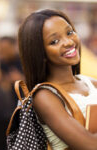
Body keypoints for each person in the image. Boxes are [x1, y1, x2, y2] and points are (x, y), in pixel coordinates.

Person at [18, 9, 97, 150]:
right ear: (39, 52)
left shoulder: (91, 83)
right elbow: (90, 145)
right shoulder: (44, 96)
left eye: (69, 32)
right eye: (54, 41)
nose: (68, 42)